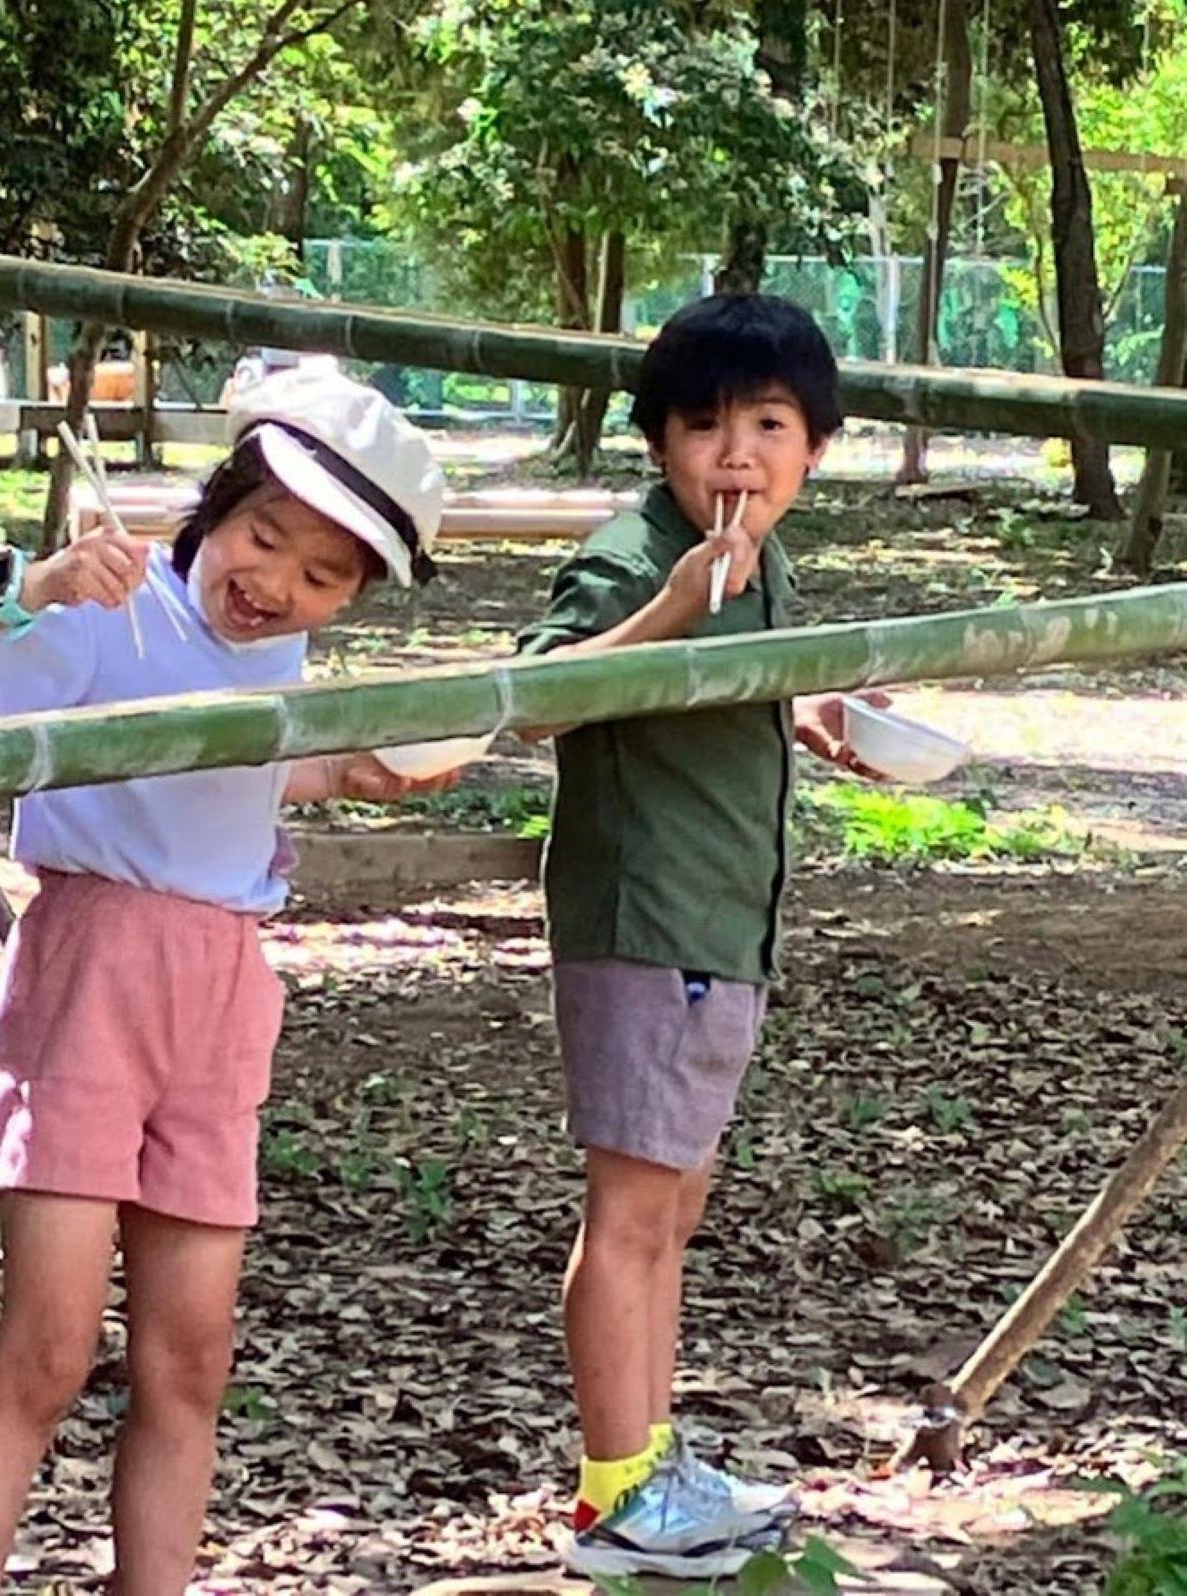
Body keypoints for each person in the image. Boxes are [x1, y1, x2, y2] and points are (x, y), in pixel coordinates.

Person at [0, 367, 452, 1596]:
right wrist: (25, 589)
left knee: (190, 1362)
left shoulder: (287, 658)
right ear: (216, 505)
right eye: (262, 538)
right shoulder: (110, 602)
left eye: (322, 578)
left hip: (220, 994)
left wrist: (345, 773)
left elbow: (222, 782)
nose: (274, 587)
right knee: (43, 1356)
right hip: (90, 975)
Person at [518, 294, 885, 1580]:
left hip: (728, 917)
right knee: (628, 1213)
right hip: (645, 919)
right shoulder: (638, 556)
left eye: (768, 424)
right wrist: (673, 601)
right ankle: (617, 1498)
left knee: (672, 1206)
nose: (735, 453)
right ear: (656, 441)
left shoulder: (765, 556)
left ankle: (650, 1466)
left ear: (815, 447)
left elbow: (743, 679)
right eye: (703, 424)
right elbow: (536, 701)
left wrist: (821, 710)